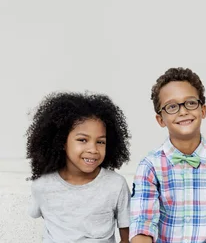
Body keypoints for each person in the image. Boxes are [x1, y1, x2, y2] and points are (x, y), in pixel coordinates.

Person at [130, 67, 206, 243]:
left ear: (203, 110)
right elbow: (143, 225)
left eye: (190, 103)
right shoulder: (149, 165)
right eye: (172, 106)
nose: (183, 111)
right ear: (161, 120)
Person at [26, 91, 131, 243]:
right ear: (61, 141)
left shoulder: (115, 185)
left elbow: (127, 237)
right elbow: (38, 213)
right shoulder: (42, 185)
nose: (93, 149)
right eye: (82, 140)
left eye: (100, 141)